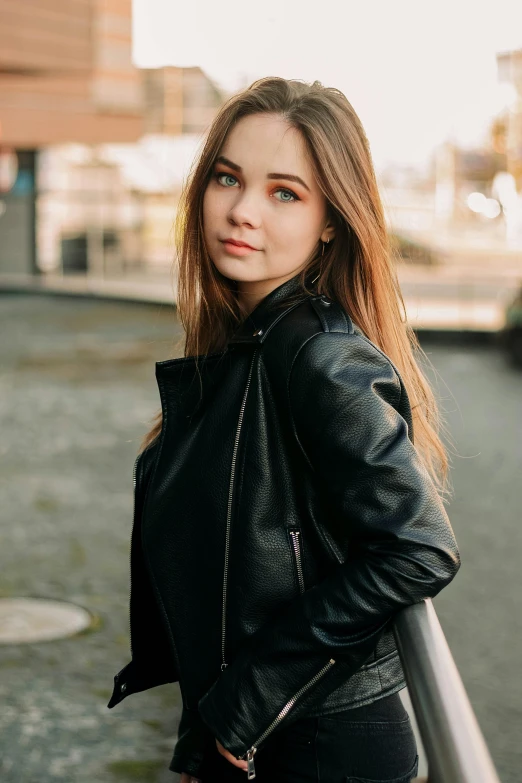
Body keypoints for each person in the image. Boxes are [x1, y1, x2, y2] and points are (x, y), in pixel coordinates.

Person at [107, 77, 461, 783]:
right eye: (227, 178)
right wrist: (201, 735)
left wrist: (246, 702)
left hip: (323, 745)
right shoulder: (249, 346)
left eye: (284, 192)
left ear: (331, 219)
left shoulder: (318, 354)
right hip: (266, 736)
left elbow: (416, 548)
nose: (241, 211)